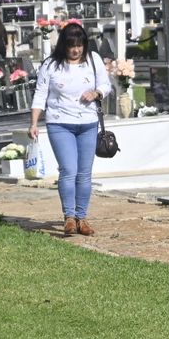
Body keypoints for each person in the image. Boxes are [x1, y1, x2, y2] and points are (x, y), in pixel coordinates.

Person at [28, 22, 113, 236]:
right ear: (63, 46)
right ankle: (69, 217)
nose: (76, 50)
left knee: (84, 173)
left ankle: (81, 218)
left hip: (88, 123)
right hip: (60, 123)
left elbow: (106, 85)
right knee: (68, 170)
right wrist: (34, 123)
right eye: (71, 46)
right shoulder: (51, 65)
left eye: (79, 45)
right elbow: (40, 94)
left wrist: (96, 93)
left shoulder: (93, 60)